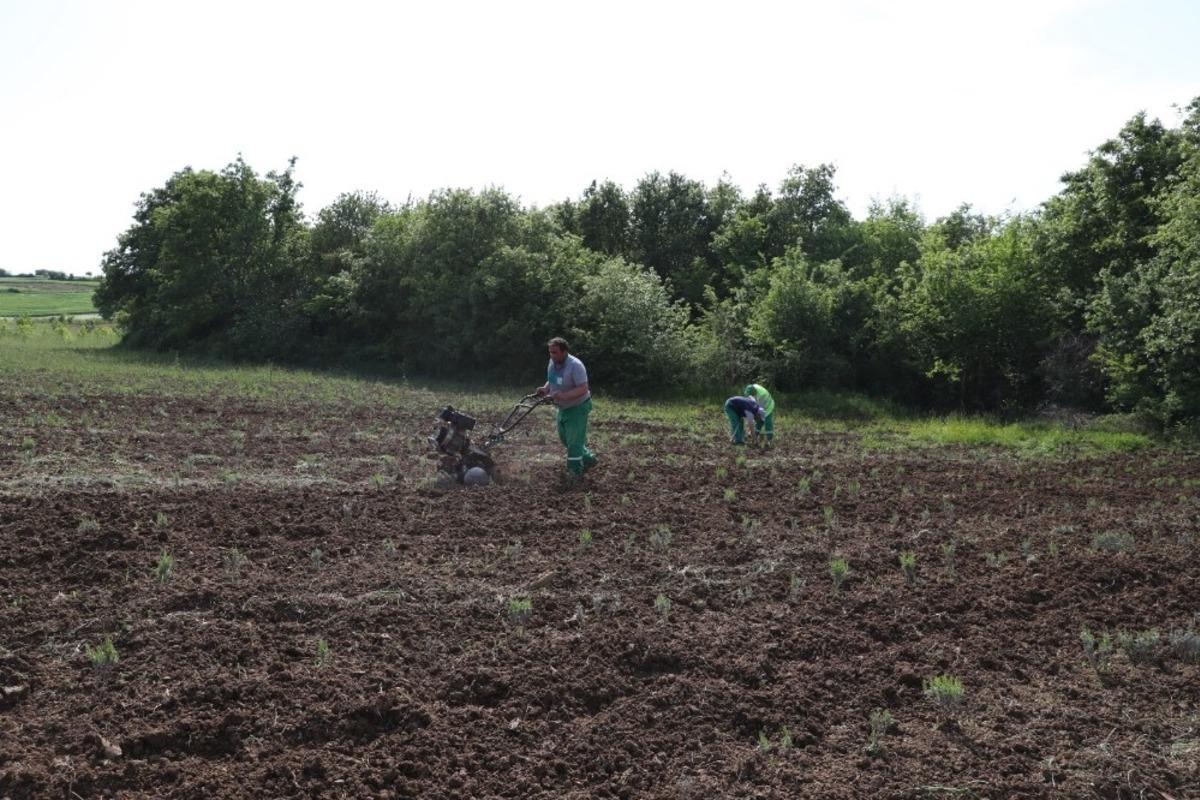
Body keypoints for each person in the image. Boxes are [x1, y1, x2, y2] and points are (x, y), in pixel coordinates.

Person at [536, 337, 598, 476]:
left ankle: (574, 473)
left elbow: (583, 388)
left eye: (555, 352)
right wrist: (545, 389)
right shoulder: (553, 362)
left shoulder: (575, 365)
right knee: (565, 439)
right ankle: (589, 459)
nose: (552, 355)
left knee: (574, 443)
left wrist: (563, 396)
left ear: (564, 352)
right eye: (550, 352)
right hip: (563, 408)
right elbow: (552, 379)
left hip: (578, 407)